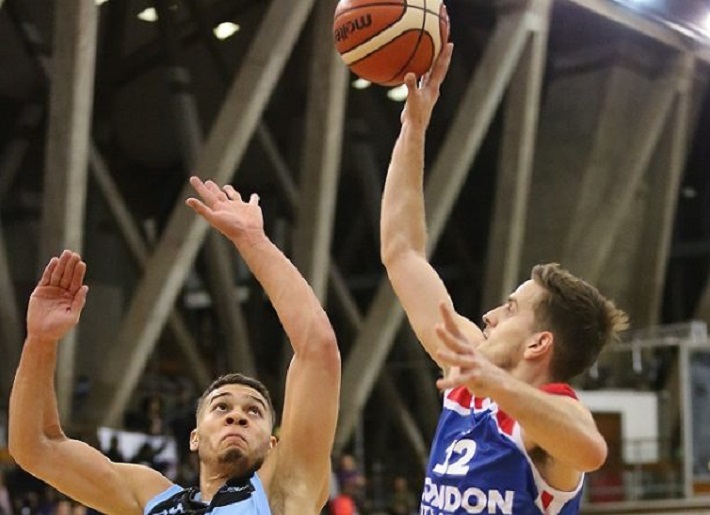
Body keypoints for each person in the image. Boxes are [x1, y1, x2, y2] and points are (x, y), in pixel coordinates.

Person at [379, 43, 629, 515]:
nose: (490, 316)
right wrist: (414, 128)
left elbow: (591, 450)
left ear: (538, 344)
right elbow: (403, 253)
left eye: (511, 308)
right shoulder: (469, 370)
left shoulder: (548, 411)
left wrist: (494, 383)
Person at [9, 177, 341, 514]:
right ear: (195, 437)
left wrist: (253, 240)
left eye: (253, 411)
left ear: (272, 445)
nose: (237, 416)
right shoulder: (153, 498)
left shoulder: (283, 489)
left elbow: (318, 349)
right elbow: (36, 446)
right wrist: (40, 341)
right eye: (221, 407)